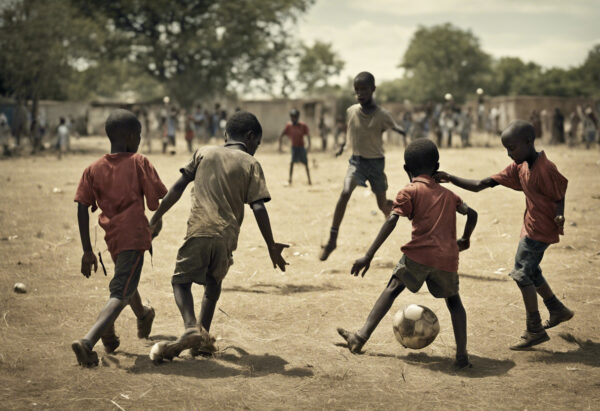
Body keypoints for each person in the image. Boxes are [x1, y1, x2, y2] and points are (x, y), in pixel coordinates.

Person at [148, 111, 289, 361]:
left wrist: (155, 217)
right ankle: (201, 340)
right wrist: (271, 245)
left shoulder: (204, 152)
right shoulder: (250, 163)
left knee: (180, 282)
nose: (256, 148)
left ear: (226, 135)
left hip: (199, 229)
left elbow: (178, 187)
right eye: (257, 142)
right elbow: (258, 206)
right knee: (213, 285)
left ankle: (191, 327)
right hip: (226, 236)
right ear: (250, 136)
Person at [337, 139, 478, 369]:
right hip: (447, 259)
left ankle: (360, 337)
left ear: (406, 169)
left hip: (419, 255)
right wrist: (465, 239)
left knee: (393, 288)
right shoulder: (450, 195)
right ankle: (462, 356)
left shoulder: (409, 191)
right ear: (437, 166)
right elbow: (472, 214)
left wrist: (368, 255)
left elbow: (391, 220)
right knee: (454, 303)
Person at [435, 120, 573, 350]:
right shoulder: (520, 166)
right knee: (531, 270)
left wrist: (560, 214)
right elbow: (481, 184)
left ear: (529, 142)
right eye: (506, 149)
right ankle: (557, 309)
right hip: (530, 227)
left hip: (540, 231)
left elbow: (560, 193)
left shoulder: (545, 169)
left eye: (513, 148)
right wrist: (450, 177)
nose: (509, 154)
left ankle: (534, 328)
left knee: (521, 274)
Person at [71, 109, 167, 367]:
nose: (140, 141)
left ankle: (143, 314)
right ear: (129, 136)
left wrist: (87, 250)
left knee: (125, 280)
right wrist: (155, 221)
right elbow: (155, 203)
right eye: (139, 135)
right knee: (120, 290)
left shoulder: (92, 169)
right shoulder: (139, 161)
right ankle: (89, 340)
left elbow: (82, 205)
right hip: (134, 235)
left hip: (112, 237)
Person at [320, 72, 405, 261]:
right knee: (344, 193)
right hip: (357, 162)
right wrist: (342, 146)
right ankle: (332, 240)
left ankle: (394, 216)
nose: (360, 93)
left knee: (382, 204)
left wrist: (405, 134)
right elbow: (350, 131)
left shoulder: (383, 115)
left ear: (373, 89)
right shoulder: (351, 111)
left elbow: (394, 127)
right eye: (357, 90)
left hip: (376, 163)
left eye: (364, 89)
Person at [278, 108, 312, 185]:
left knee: (305, 163)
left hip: (301, 147)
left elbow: (308, 135)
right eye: (292, 117)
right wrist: (280, 147)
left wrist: (309, 145)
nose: (293, 118)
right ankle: (290, 180)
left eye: (295, 117)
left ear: (297, 117)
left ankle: (309, 180)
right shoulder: (289, 126)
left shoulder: (302, 125)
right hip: (294, 147)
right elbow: (281, 135)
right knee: (292, 163)